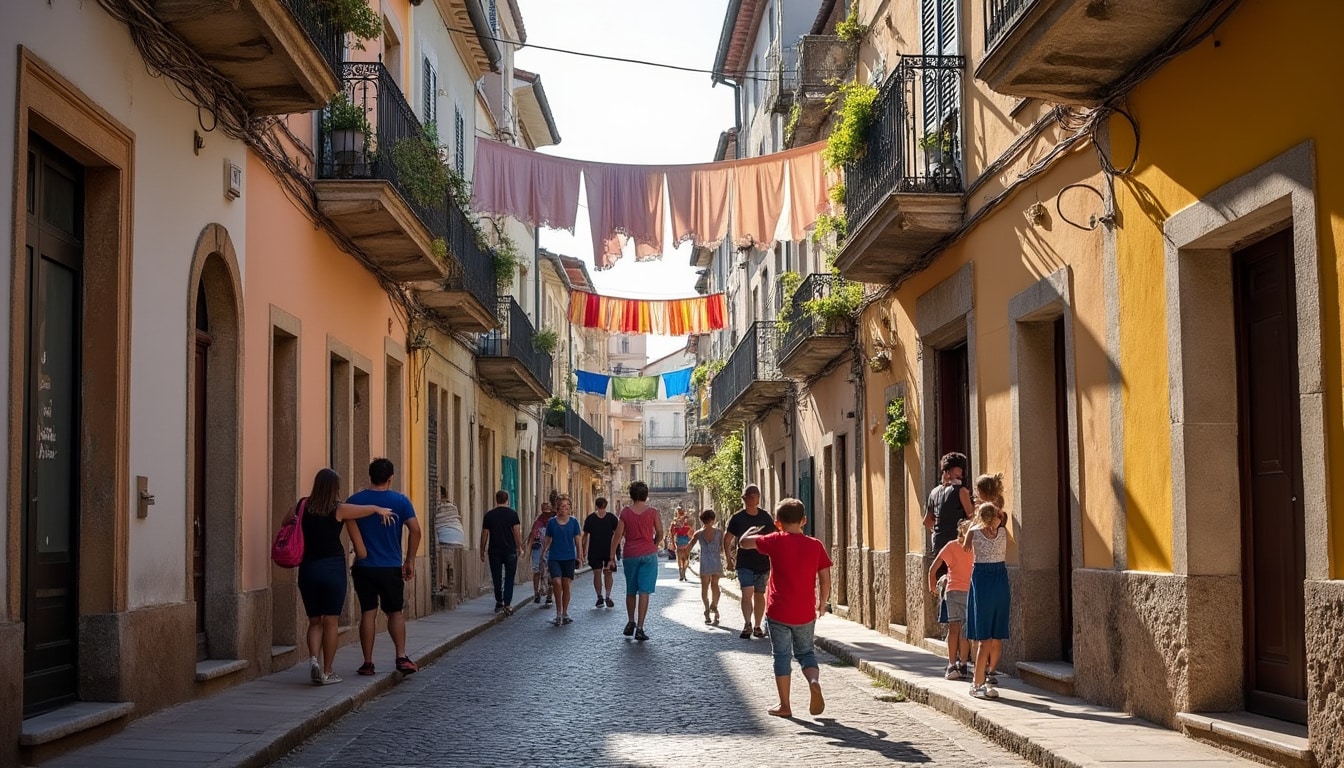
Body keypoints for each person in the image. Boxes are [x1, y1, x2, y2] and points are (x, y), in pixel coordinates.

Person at [296, 468, 393, 685]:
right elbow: (362, 510)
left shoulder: (302, 506)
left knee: (314, 622)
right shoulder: (338, 510)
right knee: (331, 622)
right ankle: (327, 671)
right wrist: (378, 509)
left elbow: (287, 522)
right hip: (332, 570)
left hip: (308, 569)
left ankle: (313, 660)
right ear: (334, 488)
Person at [738, 498, 832, 718]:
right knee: (806, 652)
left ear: (778, 523)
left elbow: (743, 543)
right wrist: (822, 603)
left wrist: (751, 530)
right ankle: (814, 681)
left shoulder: (774, 540)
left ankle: (785, 705)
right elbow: (825, 579)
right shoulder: (815, 545)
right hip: (805, 611)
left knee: (781, 656)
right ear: (804, 520)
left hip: (779, 611)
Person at [348, 458, 423, 677]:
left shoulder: (355, 500)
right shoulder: (400, 501)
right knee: (395, 612)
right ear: (390, 478)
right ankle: (401, 656)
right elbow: (416, 530)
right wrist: (409, 560)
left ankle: (368, 663)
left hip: (364, 566)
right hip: (390, 566)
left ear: (370, 476)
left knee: (368, 613)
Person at [964, 502, 1011, 699]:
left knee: (984, 638)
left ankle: (976, 684)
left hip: (982, 579)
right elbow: (1003, 517)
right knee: (996, 634)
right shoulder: (1003, 531)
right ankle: (989, 675)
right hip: (1000, 578)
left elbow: (966, 547)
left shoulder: (973, 532)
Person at [610, 481, 663, 641]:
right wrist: (654, 544)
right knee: (645, 591)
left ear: (631, 495)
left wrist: (611, 556)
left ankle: (631, 621)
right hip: (648, 554)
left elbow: (618, 536)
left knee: (631, 590)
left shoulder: (625, 512)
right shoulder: (653, 512)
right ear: (646, 495)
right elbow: (660, 532)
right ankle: (640, 627)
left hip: (631, 554)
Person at [725, 485, 774, 639]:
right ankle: (747, 624)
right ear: (744, 498)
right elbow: (727, 539)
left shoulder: (765, 518)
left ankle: (758, 626)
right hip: (744, 562)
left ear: (758, 498)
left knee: (759, 594)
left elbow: (773, 539)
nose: (751, 499)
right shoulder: (737, 518)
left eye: (754, 496)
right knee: (747, 592)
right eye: (748, 496)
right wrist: (728, 559)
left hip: (762, 562)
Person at [928, 519, 973, 680]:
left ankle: (951, 664)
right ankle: (963, 665)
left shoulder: (951, 546)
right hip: (970, 592)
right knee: (965, 631)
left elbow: (933, 568)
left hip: (953, 592)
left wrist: (932, 586)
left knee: (954, 629)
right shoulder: (976, 547)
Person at [924, 452, 973, 579]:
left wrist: (938, 532)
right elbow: (971, 516)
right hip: (957, 546)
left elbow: (927, 522)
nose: (960, 478)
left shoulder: (933, 493)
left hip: (939, 547)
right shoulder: (962, 491)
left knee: (943, 583)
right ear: (946, 473)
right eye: (957, 475)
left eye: (961, 475)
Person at [480, 489, 524, 615]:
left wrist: (482, 550)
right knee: (509, 577)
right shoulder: (513, 514)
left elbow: (484, 534)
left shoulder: (489, 515)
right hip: (510, 550)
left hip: (494, 550)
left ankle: (499, 601)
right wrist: (519, 546)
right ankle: (507, 604)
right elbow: (516, 532)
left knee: (496, 577)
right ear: (507, 500)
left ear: (496, 499)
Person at [541, 494, 582, 625]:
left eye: (567, 506)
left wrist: (580, 556)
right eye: (562, 506)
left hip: (569, 557)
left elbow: (578, 540)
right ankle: (558, 613)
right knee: (556, 583)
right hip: (555, 557)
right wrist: (543, 552)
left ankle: (565, 612)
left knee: (566, 585)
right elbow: (547, 538)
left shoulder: (574, 522)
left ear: (570, 508)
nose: (564, 509)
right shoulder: (552, 522)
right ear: (558, 508)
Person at [581, 497, 619, 607]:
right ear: (606, 505)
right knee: (608, 573)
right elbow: (617, 535)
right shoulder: (612, 518)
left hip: (594, 550)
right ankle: (607, 596)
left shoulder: (590, 518)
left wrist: (583, 551)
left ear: (596, 505)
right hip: (609, 550)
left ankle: (599, 597)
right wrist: (617, 550)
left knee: (597, 573)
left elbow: (585, 536)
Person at [688, 509, 724, 624]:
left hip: (705, 563)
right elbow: (722, 548)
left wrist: (685, 557)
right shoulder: (719, 532)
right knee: (715, 585)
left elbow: (689, 547)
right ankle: (715, 605)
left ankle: (707, 610)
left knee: (705, 587)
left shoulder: (698, 533)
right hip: (716, 562)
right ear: (712, 520)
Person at [528, 502, 555, 605]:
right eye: (545, 511)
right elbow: (532, 538)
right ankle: (537, 594)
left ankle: (549, 596)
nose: (546, 514)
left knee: (549, 574)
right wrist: (528, 551)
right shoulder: (537, 523)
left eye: (548, 511)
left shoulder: (553, 523)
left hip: (550, 551)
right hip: (538, 550)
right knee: (537, 572)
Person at [671, 507, 694, 581]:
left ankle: (681, 573)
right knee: (686, 559)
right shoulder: (687, 521)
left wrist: (673, 544)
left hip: (679, 544)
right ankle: (684, 572)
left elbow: (672, 534)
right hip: (686, 544)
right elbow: (691, 532)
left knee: (680, 559)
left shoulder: (675, 522)